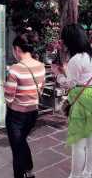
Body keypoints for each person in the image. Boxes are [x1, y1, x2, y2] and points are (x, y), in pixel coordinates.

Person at [4, 35, 45, 178]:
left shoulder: (15, 69)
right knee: (21, 141)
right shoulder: (40, 66)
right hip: (33, 113)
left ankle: (22, 174)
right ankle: (29, 169)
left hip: (16, 117)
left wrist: (4, 87)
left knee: (17, 149)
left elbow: (9, 98)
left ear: (17, 49)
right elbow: (41, 89)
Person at [55, 24, 92, 178]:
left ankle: (75, 176)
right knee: (91, 141)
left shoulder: (76, 59)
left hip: (82, 101)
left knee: (79, 143)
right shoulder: (89, 56)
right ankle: (88, 172)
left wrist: (58, 75)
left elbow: (69, 84)